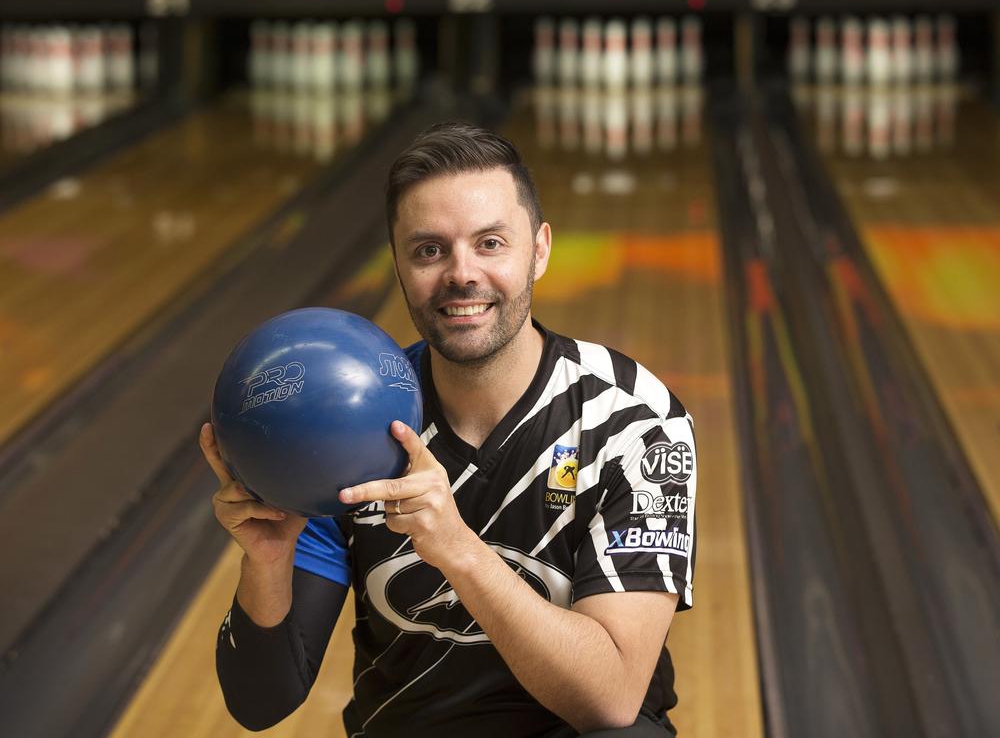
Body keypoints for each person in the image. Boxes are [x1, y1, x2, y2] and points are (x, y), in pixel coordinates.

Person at [202, 122, 697, 737]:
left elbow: (612, 700)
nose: (462, 274)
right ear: (400, 265)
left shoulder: (633, 423)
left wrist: (457, 549)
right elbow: (261, 703)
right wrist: (269, 561)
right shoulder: (340, 427)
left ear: (540, 248)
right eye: (429, 249)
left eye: (490, 242)